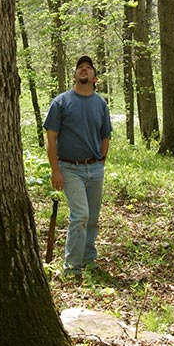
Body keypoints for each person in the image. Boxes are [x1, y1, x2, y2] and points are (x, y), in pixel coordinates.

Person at [44, 55, 112, 278]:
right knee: (80, 214)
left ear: (95, 77)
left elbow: (105, 135)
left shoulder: (100, 103)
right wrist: (55, 170)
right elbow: (51, 137)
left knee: (92, 217)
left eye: (88, 68)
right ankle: (72, 267)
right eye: (80, 68)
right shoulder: (61, 102)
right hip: (70, 168)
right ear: (74, 75)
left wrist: (101, 158)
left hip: (94, 169)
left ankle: (88, 260)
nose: (84, 70)